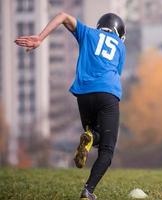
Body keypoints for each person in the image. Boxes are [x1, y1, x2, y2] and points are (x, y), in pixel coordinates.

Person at [15, 12, 126, 200]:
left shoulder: (88, 33)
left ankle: (90, 135)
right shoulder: (121, 47)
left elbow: (63, 16)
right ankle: (88, 191)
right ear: (118, 32)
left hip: (83, 95)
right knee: (107, 150)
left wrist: (40, 38)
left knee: (93, 133)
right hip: (107, 93)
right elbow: (116, 72)